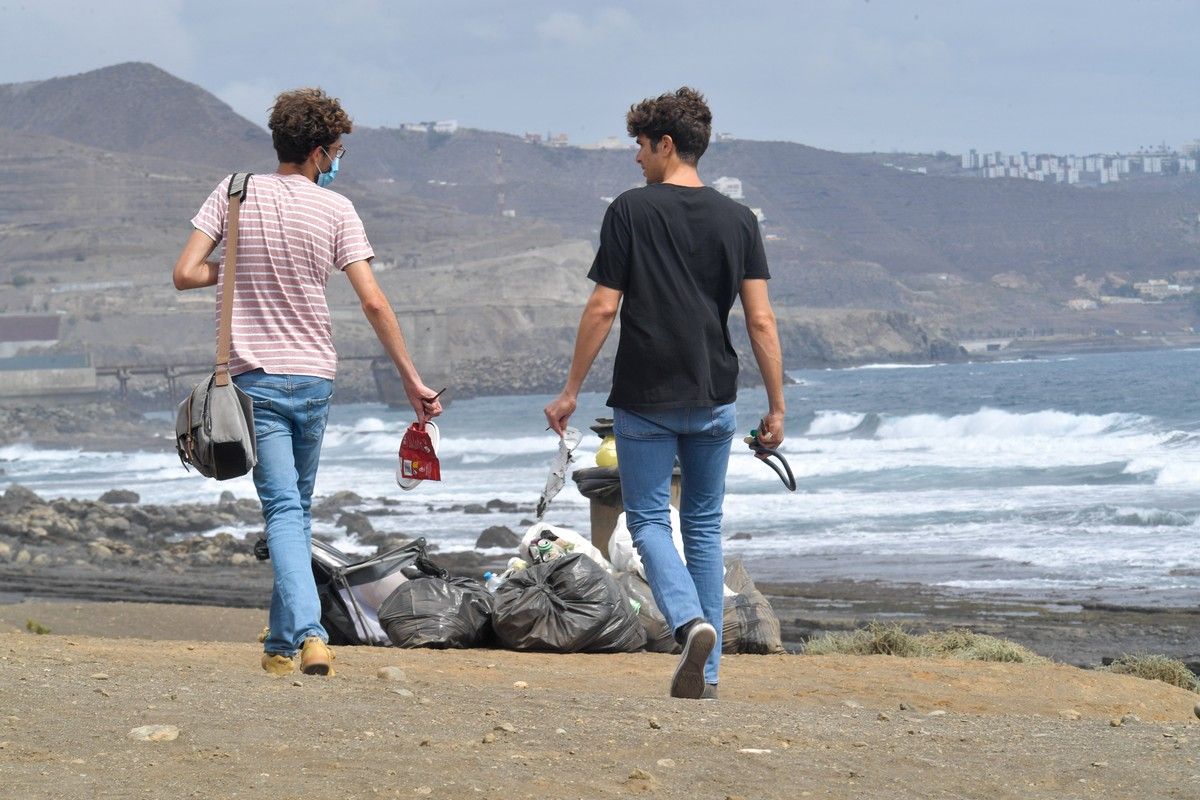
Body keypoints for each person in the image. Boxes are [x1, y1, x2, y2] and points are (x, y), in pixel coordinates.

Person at [172, 88, 443, 677]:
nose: (338, 161)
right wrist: (411, 378)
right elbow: (373, 301)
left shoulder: (235, 191)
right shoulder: (337, 210)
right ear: (320, 152)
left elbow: (185, 273)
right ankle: (281, 644)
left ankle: (309, 635)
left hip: (257, 382)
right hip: (314, 379)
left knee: (284, 512)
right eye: (338, 151)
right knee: (294, 511)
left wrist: (239, 264)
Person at [544, 87, 786, 700]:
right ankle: (705, 678)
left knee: (648, 518)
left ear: (667, 145)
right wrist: (778, 407)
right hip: (714, 395)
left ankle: (688, 623)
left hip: (646, 395)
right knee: (703, 527)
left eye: (641, 146)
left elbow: (603, 306)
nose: (636, 159)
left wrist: (571, 389)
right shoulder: (740, 220)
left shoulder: (630, 211)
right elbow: (761, 321)